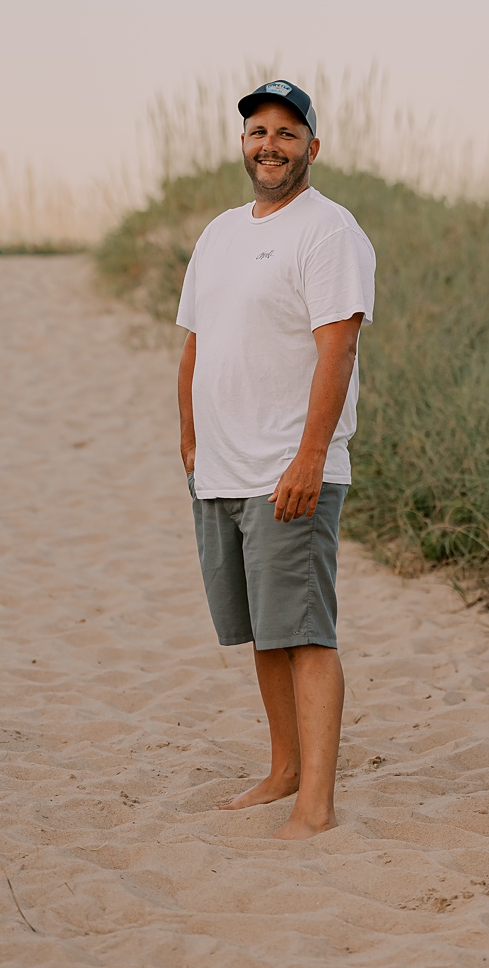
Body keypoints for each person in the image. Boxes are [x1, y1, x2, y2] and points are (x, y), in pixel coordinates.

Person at [177, 80, 376, 840]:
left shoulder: (329, 232)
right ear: (243, 143)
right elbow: (196, 339)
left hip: (289, 469)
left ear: (312, 149)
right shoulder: (220, 233)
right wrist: (189, 436)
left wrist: (309, 457)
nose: (271, 144)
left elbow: (338, 346)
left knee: (305, 632)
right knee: (265, 628)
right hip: (222, 469)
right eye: (259, 131)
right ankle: (283, 767)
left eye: (288, 134)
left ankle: (315, 804)